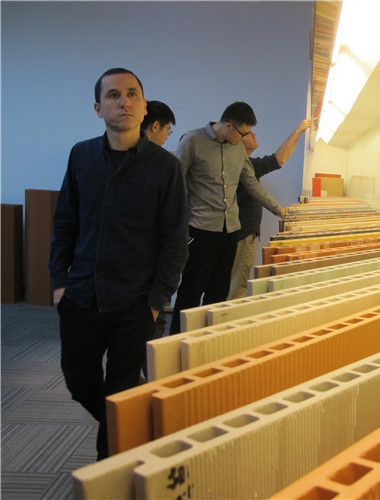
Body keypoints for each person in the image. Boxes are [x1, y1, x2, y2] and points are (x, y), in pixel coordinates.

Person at [49, 68, 189, 460]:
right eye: (113, 95)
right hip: (81, 295)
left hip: (135, 302)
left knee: (120, 389)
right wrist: (59, 283)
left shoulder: (165, 166)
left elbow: (175, 240)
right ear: (98, 108)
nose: (123, 102)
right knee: (79, 382)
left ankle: (107, 469)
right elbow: (65, 222)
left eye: (131, 94)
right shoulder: (81, 155)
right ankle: (134, 429)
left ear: (143, 108)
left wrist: (156, 301)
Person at [169, 102, 286, 334]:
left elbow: (251, 182)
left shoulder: (237, 148)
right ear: (229, 126)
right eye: (243, 133)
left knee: (219, 293)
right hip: (200, 230)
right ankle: (177, 343)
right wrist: (176, 227)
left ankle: (208, 340)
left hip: (230, 231)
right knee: (191, 291)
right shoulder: (192, 141)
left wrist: (279, 210)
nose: (245, 138)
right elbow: (175, 184)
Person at [227, 119, 311, 300]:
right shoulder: (245, 164)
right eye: (248, 133)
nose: (254, 134)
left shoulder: (245, 164)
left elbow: (279, 159)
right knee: (236, 285)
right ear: (238, 140)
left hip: (241, 232)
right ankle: (228, 316)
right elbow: (279, 159)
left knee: (233, 282)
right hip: (241, 233)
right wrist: (298, 130)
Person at [140, 100, 177, 340]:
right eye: (167, 130)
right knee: (150, 333)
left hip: (144, 272)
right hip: (148, 269)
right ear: (155, 126)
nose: (166, 137)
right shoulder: (165, 165)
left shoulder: (165, 164)